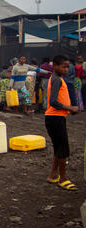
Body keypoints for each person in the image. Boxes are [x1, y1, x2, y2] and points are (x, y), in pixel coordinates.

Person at [45, 55, 78, 191]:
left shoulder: (58, 79)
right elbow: (53, 101)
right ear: (56, 66)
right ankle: (63, 179)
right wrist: (70, 108)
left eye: (67, 67)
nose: (66, 69)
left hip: (56, 118)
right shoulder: (57, 80)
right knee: (63, 149)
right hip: (55, 118)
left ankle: (53, 175)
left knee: (58, 148)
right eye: (63, 66)